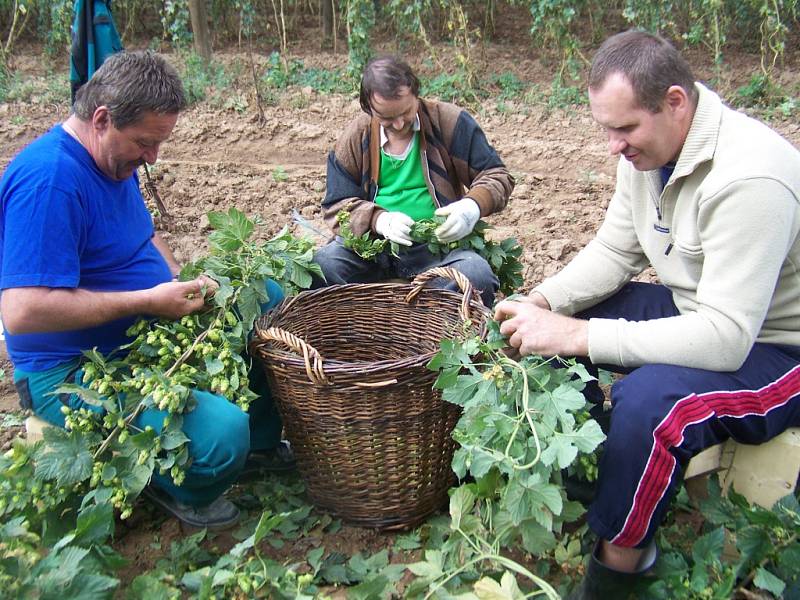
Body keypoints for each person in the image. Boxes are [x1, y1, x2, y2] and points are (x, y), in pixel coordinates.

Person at [495, 30, 800, 598]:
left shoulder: (752, 176)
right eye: (606, 128)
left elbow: (728, 338)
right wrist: (544, 303)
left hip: (777, 349)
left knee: (655, 403)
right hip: (704, 311)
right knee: (580, 310)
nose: (614, 145)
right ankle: (594, 470)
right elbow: (615, 252)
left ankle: (622, 561)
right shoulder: (646, 153)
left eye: (625, 128)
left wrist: (581, 334)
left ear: (676, 103)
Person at [0, 50, 292, 530]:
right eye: (144, 143)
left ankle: (259, 447)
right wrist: (146, 301)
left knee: (264, 296)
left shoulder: (112, 159)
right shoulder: (50, 181)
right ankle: (172, 483)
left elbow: (142, 232)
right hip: (76, 369)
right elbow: (23, 311)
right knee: (220, 435)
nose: (152, 158)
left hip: (140, 326)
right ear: (101, 119)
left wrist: (177, 280)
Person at [313, 55, 514, 307]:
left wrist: (471, 207)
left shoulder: (450, 122)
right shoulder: (358, 136)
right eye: (387, 118)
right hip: (373, 249)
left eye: (406, 112)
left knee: (476, 275)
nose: (399, 124)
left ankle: (434, 327)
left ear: (416, 93)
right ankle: (358, 329)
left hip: (437, 247)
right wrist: (378, 220)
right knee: (322, 267)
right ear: (369, 109)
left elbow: (496, 175)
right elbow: (336, 204)